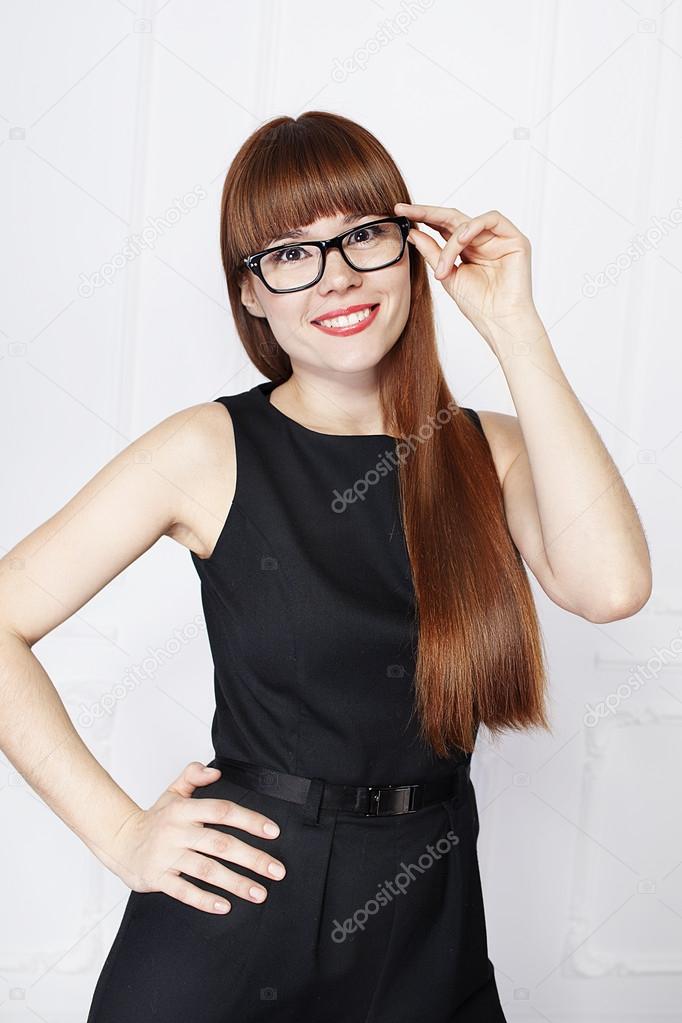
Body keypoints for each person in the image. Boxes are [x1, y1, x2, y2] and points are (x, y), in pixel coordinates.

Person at [0, 111, 651, 1022]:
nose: (336, 274)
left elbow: (612, 587)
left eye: (362, 237)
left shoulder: (487, 451)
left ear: (412, 248)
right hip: (241, 914)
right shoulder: (206, 447)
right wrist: (120, 833)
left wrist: (514, 324)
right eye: (289, 253)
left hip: (432, 924)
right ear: (252, 295)